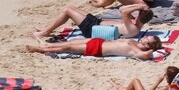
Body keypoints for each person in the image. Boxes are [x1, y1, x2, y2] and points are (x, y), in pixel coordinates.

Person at [35, 4, 153, 40]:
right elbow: (122, 9)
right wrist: (139, 7)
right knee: (71, 8)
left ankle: (46, 31)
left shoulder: (133, 28)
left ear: (139, 16)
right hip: (96, 22)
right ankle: (48, 28)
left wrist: (138, 6)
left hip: (92, 30)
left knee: (67, 10)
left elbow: (123, 12)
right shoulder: (134, 22)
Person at [26, 35, 163, 60]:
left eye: (147, 39)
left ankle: (39, 49)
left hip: (99, 50)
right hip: (100, 42)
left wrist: (153, 50)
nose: (145, 37)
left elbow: (146, 56)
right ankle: (46, 44)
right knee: (71, 42)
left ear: (147, 45)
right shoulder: (134, 42)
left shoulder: (137, 50)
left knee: (67, 48)